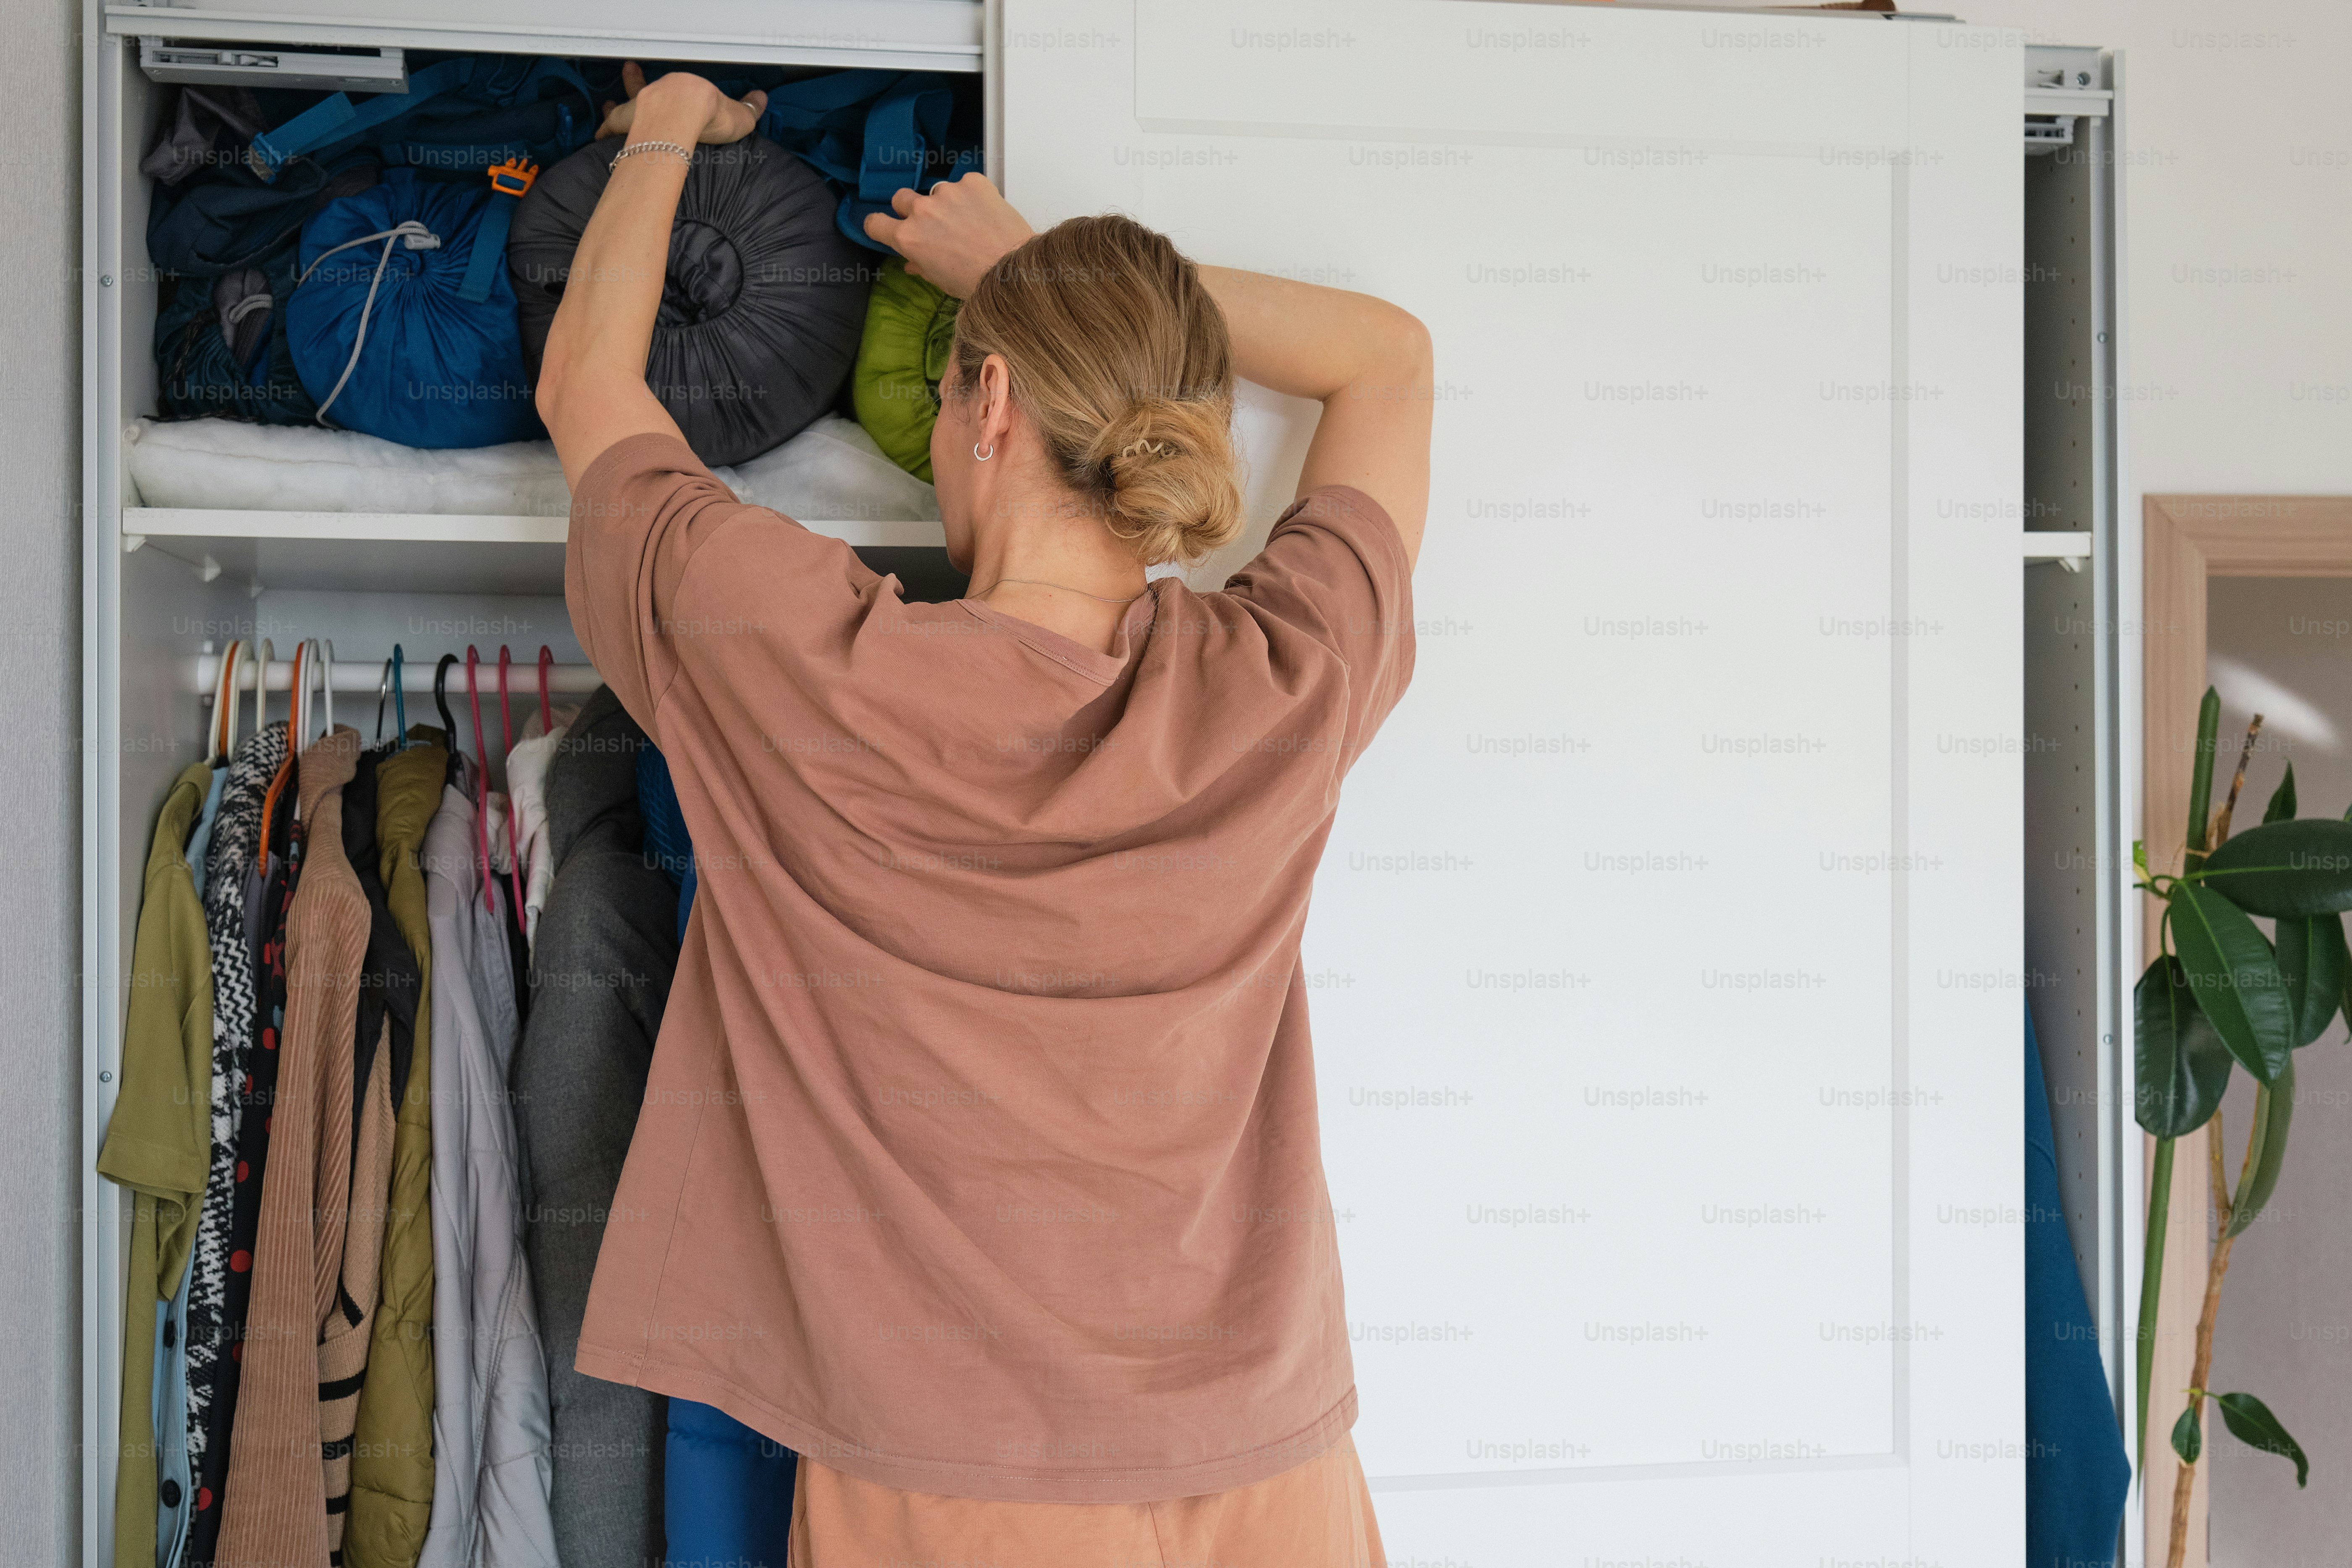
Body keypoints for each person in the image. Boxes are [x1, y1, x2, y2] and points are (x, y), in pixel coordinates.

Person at [537, 64, 1432, 1568]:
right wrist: (1036, 274)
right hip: (1275, 1469)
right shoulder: (1280, 684)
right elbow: (1387, 362)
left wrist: (675, 120)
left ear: (992, 400)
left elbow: (588, 393)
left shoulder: (805, 664)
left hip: (951, 1491)